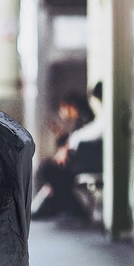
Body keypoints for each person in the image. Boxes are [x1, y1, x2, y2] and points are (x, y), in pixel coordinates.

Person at [31, 83, 103, 220]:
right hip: (79, 159)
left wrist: (66, 145)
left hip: (82, 161)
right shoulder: (87, 118)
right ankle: (58, 207)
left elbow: (78, 138)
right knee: (52, 174)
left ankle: (72, 209)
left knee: (49, 170)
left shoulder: (88, 117)